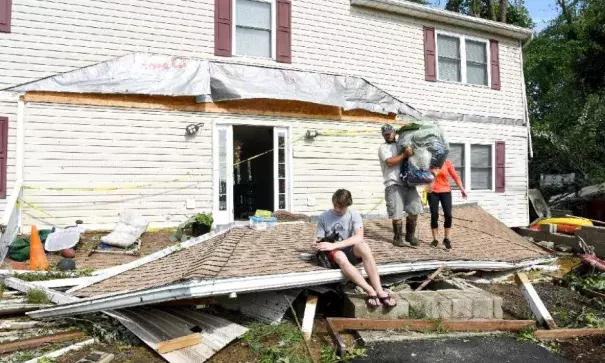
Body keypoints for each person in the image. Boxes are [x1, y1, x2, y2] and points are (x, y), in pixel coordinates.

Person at [314, 189, 397, 309]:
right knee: (340, 256)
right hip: (333, 254)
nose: (337, 209)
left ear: (348, 204)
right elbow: (318, 238)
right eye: (335, 205)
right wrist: (316, 243)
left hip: (345, 248)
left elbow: (359, 237)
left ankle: (379, 290)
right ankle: (370, 290)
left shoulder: (354, 215)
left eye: (341, 207)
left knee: (364, 246)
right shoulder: (324, 217)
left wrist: (336, 245)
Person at [378, 124, 423, 247]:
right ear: (383, 135)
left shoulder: (401, 144)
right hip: (393, 184)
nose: (388, 135)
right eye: (385, 133)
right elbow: (390, 162)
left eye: (390, 132)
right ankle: (397, 238)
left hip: (408, 183)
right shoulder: (383, 148)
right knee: (397, 213)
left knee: (414, 209)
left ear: (394, 133)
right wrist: (404, 155)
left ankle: (410, 236)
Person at [427, 159, 467, 249]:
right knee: (434, 215)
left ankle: (446, 239)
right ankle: (435, 239)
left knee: (448, 215)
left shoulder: (447, 162)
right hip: (432, 192)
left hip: (446, 191)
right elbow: (424, 177)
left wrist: (462, 189)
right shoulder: (429, 162)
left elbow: (456, 177)